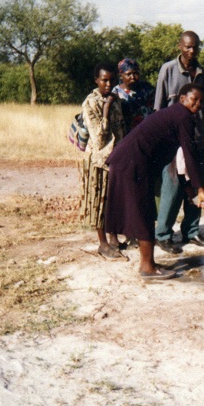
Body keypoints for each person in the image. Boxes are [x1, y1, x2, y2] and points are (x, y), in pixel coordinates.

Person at [106, 84, 204, 279]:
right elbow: (189, 154)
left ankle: (149, 262)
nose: (197, 104)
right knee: (143, 213)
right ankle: (147, 267)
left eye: (201, 101)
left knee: (146, 212)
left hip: (129, 162)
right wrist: (200, 188)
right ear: (182, 99)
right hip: (132, 164)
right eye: (193, 99)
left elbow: (178, 158)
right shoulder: (184, 116)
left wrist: (189, 188)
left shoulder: (176, 115)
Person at [153, 31, 204, 253]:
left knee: (197, 185)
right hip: (172, 139)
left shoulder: (201, 72)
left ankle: (192, 231)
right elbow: (158, 107)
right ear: (179, 46)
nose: (191, 51)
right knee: (173, 186)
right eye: (187, 47)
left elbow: (203, 111)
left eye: (195, 47)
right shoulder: (168, 70)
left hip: (196, 137)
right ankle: (164, 234)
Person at [80, 63, 125, 259]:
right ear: (96, 80)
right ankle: (102, 243)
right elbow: (98, 136)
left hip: (115, 158)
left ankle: (113, 237)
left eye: (111, 80)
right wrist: (105, 110)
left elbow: (121, 128)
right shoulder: (90, 102)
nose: (108, 84)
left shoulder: (115, 100)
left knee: (112, 200)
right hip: (99, 160)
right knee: (98, 201)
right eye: (104, 80)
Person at [113, 57, 155, 135]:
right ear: (121, 76)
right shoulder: (115, 93)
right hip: (127, 135)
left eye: (135, 73)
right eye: (128, 74)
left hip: (148, 132)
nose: (133, 77)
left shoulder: (147, 89)